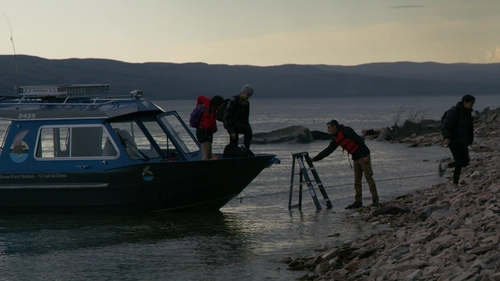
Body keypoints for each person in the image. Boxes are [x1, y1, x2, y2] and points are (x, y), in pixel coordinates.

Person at [310, 120, 379, 209]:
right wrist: (315, 159)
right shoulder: (336, 138)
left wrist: (365, 155)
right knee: (357, 181)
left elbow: (360, 140)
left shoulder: (346, 131)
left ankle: (375, 199)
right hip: (355, 158)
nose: (328, 130)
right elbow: (328, 150)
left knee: (368, 177)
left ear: (334, 127)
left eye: (329, 128)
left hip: (363, 156)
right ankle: (358, 201)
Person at [439, 94, 475, 188]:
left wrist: (470, 140)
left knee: (465, 162)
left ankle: (444, 166)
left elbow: (470, 128)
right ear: (465, 102)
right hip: (453, 140)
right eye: (471, 104)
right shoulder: (453, 111)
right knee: (459, 162)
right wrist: (446, 137)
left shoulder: (468, 113)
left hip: (463, 141)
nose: (472, 106)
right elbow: (445, 126)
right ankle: (455, 186)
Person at [223, 84, 254, 149]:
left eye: (249, 96)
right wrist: (231, 131)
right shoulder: (234, 100)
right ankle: (232, 154)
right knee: (234, 141)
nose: (248, 97)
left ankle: (246, 150)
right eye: (247, 95)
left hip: (239, 124)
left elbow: (246, 119)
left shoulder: (246, 103)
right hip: (232, 124)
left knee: (248, 132)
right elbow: (227, 116)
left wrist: (248, 129)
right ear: (243, 92)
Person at [195, 95, 224, 160]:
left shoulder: (208, 102)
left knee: (208, 154)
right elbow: (209, 125)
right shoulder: (211, 112)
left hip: (202, 131)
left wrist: (197, 107)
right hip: (204, 132)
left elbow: (200, 97)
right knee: (206, 154)